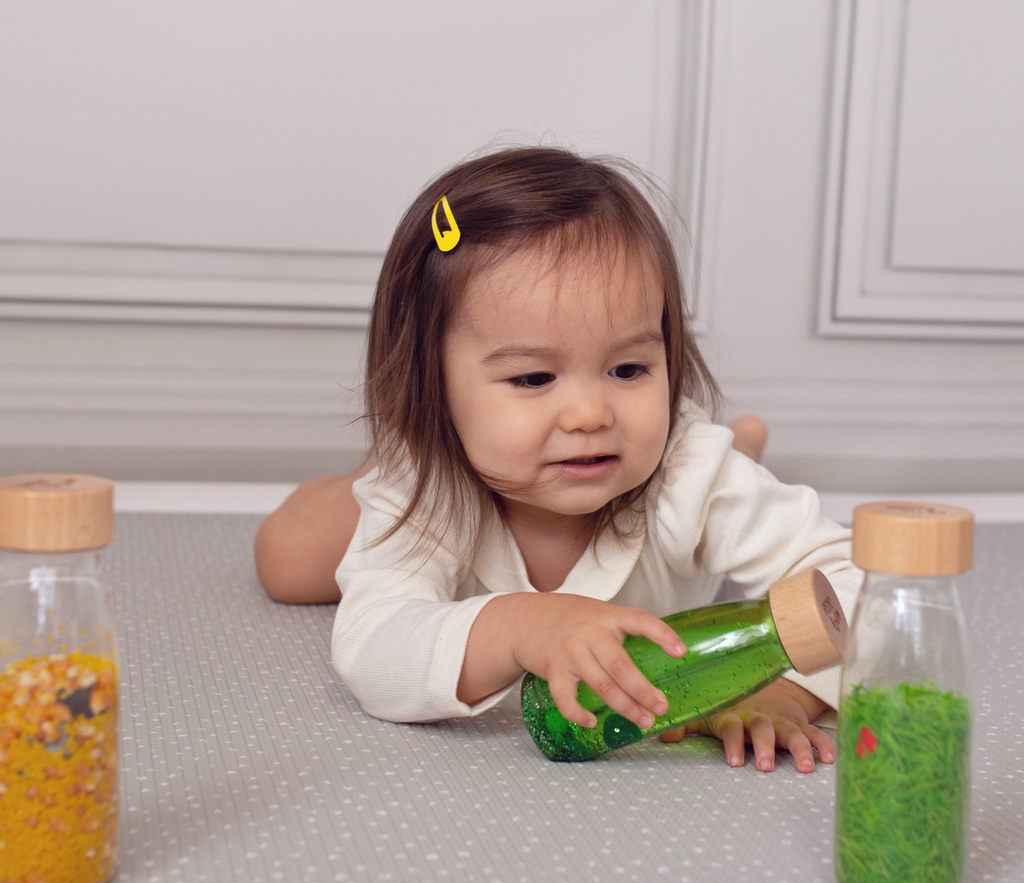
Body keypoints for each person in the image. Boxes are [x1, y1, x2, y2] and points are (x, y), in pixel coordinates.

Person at [254, 147, 860, 772]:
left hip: (686, 473)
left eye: (628, 369)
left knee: (729, 474)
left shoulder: (689, 474)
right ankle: (368, 480)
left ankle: (745, 445)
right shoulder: (430, 492)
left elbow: (857, 583)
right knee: (287, 563)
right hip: (439, 470)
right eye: (535, 378)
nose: (589, 415)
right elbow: (372, 647)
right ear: (433, 389)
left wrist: (789, 691)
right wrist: (519, 627)